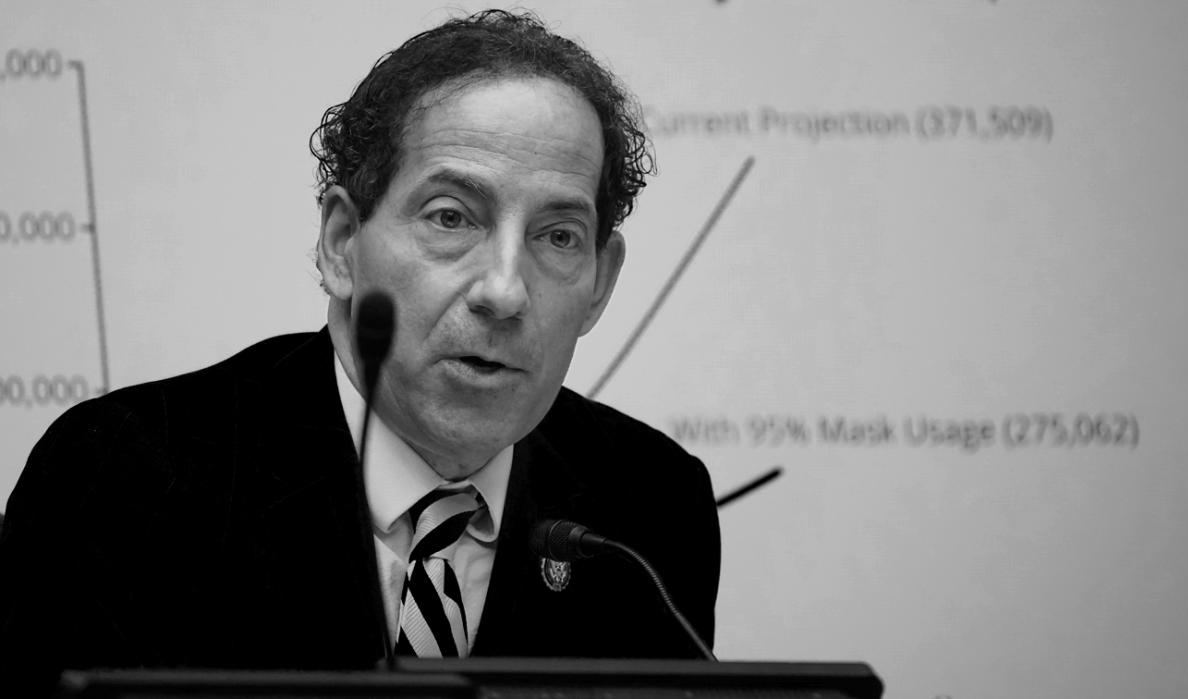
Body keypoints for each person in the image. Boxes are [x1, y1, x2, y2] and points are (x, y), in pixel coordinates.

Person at [0, 10, 720, 693]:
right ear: (342, 243)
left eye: (558, 235)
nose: (504, 290)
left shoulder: (650, 510)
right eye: (451, 217)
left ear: (599, 283)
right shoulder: (125, 478)